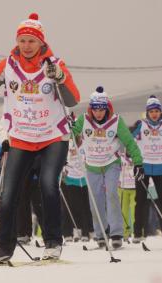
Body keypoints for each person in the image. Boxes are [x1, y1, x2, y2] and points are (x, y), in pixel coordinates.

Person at [0, 13, 80, 262]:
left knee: (48, 184)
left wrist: (60, 77)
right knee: (9, 192)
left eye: (31, 41)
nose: (26, 46)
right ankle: (4, 247)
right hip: (22, 137)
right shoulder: (8, 65)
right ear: (17, 41)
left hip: (53, 137)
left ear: (41, 43)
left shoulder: (53, 64)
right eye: (22, 40)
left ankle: (53, 242)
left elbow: (72, 100)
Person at [71, 86, 143, 249]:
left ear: (107, 108)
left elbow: (129, 142)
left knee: (111, 194)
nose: (98, 113)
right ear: (91, 109)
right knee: (95, 200)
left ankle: (116, 233)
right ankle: (101, 233)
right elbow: (70, 134)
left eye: (102, 109)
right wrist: (69, 125)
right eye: (95, 109)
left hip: (111, 162)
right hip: (92, 165)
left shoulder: (116, 121)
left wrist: (138, 162)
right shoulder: (84, 120)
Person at [132, 95, 162, 243]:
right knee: (141, 200)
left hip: (160, 167)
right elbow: (130, 140)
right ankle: (138, 232)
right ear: (147, 113)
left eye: (157, 111)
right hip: (143, 167)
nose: (154, 114)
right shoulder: (142, 125)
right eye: (151, 111)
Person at [61, 140, 94, 242]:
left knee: (85, 206)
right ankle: (75, 230)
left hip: (85, 178)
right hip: (71, 178)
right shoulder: (69, 144)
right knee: (73, 205)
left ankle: (86, 232)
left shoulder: (86, 143)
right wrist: (62, 170)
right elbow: (63, 159)